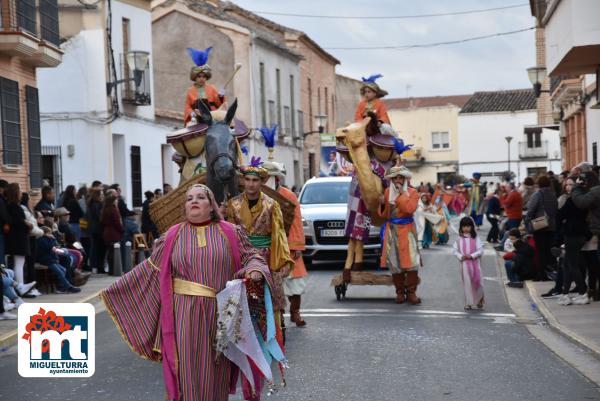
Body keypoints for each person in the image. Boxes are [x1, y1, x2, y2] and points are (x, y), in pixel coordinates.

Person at [102, 184, 277, 401]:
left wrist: (255, 270)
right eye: (189, 198)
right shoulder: (172, 237)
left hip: (222, 314)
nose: (194, 201)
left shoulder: (231, 232)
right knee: (187, 370)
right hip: (183, 314)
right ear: (184, 207)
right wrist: (115, 292)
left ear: (211, 206)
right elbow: (149, 271)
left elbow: (252, 256)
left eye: (200, 197)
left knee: (217, 370)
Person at [225, 159, 293, 327]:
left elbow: (279, 234)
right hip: (243, 256)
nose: (251, 184)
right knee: (243, 295)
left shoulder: (271, 205)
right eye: (247, 179)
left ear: (262, 182)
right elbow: (230, 234)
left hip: (267, 256)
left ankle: (275, 331)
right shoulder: (233, 204)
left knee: (271, 295)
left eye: (255, 180)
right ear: (243, 181)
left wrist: (283, 259)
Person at [263, 161, 308, 327]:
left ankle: (295, 312)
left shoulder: (289, 196)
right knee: (274, 285)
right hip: (267, 246)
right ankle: (278, 316)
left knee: (294, 283)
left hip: (288, 245)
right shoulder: (256, 196)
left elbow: (296, 222)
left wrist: (296, 246)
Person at [377, 165, 421, 305]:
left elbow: (409, 209)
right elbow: (384, 215)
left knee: (412, 262)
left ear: (405, 178)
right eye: (395, 177)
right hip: (392, 231)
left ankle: (412, 293)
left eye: (400, 177)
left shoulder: (413, 192)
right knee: (395, 263)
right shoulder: (387, 192)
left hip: (407, 231)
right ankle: (400, 293)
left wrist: (402, 193)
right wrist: (381, 204)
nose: (398, 180)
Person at [555, 176, 590, 305]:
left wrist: (562, 222)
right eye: (566, 185)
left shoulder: (572, 201)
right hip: (580, 235)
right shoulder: (583, 199)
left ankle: (582, 292)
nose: (567, 187)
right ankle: (565, 294)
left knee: (572, 265)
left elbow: (560, 215)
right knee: (568, 265)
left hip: (572, 235)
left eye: (570, 184)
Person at [5, 183, 37, 295]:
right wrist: (28, 224)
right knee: (19, 263)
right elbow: (18, 221)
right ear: (16, 193)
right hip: (18, 238)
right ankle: (20, 286)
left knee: (19, 263)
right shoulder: (14, 206)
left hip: (17, 237)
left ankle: (20, 285)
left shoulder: (10, 205)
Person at [525, 175, 558, 281]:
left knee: (540, 252)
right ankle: (549, 274)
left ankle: (541, 275)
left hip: (540, 227)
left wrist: (528, 225)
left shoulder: (537, 195)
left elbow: (530, 211)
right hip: (552, 227)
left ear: (538, 184)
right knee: (549, 251)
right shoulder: (553, 195)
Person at [184, 46, 224, 126]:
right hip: (197, 118)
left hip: (212, 117)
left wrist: (221, 96)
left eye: (204, 76)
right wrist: (191, 113)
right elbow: (187, 106)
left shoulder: (212, 88)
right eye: (199, 76)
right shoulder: (190, 90)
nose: (202, 79)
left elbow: (219, 104)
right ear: (195, 77)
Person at [36, 226, 81, 294]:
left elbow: (54, 246)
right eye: (49, 233)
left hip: (51, 259)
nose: (51, 235)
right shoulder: (41, 240)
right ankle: (68, 287)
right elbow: (49, 247)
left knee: (63, 269)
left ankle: (62, 287)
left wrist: (53, 240)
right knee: (59, 272)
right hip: (47, 260)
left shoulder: (48, 239)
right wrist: (53, 239)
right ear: (44, 233)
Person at [452, 217, 485, 309]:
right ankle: (469, 303)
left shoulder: (476, 238)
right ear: (461, 228)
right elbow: (455, 251)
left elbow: (480, 250)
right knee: (467, 283)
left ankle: (480, 300)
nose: (466, 229)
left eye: (468, 226)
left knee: (478, 282)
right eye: (464, 227)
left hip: (476, 265)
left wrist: (472, 256)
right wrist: (461, 256)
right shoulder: (458, 240)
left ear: (472, 227)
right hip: (465, 265)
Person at [101, 190, 124, 275]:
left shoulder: (105, 209)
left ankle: (111, 270)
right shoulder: (114, 210)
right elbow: (117, 222)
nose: (117, 201)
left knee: (110, 252)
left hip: (107, 232)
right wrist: (122, 230)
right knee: (114, 252)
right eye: (116, 200)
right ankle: (115, 270)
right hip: (113, 233)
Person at [87, 187, 105, 273]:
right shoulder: (97, 205)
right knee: (99, 249)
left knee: (95, 248)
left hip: (93, 229)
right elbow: (100, 217)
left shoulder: (92, 203)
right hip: (98, 229)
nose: (102, 196)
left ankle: (95, 266)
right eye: (101, 194)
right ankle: (99, 267)